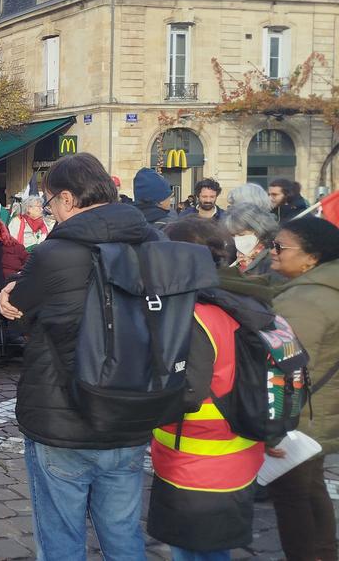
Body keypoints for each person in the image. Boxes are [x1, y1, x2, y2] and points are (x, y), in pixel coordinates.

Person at [0, 153, 165, 559]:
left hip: (63, 416)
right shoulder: (154, 244)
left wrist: (8, 294)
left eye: (51, 201)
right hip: (131, 411)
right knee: (123, 534)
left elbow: (21, 311)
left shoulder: (55, 254)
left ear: (68, 199)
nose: (51, 210)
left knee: (60, 541)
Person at [148, 217, 269, 561]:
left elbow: (187, 391)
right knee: (214, 549)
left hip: (194, 459)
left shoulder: (196, 313)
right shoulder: (250, 299)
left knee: (194, 552)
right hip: (240, 449)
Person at [267, 216, 339, 561]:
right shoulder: (324, 289)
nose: (272, 252)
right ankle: (323, 552)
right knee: (311, 490)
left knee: (294, 496)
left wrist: (272, 429)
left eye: (280, 247)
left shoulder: (304, 301)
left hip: (299, 418)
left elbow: (285, 370)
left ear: (311, 258)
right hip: (320, 411)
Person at [223, 202, 281, 278]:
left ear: (258, 230)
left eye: (241, 234)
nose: (237, 239)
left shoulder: (272, 260)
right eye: (233, 235)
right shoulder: (232, 255)